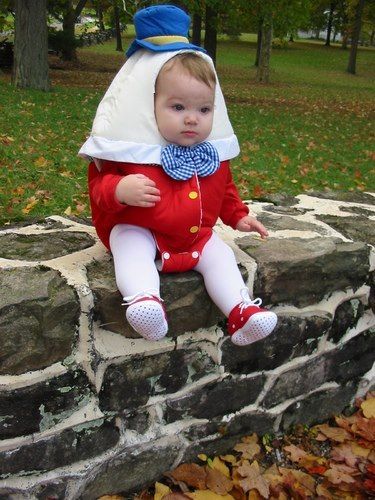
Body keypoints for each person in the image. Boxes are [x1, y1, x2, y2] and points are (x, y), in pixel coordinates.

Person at [80, 4, 277, 346]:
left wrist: (238, 216)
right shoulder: (130, 152)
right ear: (149, 106)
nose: (192, 119)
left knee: (220, 255)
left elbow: (224, 188)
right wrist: (119, 189)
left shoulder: (210, 152)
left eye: (203, 109)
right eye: (178, 108)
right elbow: (98, 187)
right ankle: (144, 299)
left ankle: (241, 310)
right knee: (129, 244)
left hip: (194, 236)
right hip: (143, 228)